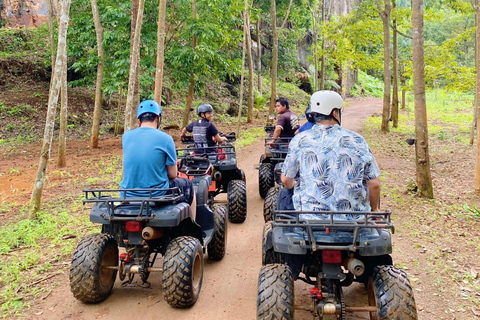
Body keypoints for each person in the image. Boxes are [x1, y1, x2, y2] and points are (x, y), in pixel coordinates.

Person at [280, 90, 381, 219]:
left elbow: (285, 180)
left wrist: (294, 185)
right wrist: (374, 210)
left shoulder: (300, 140)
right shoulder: (357, 140)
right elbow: (374, 183)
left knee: (285, 192)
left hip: (309, 218)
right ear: (334, 113)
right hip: (354, 219)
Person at [120, 100, 196, 218]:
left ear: (139, 120)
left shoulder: (126, 136)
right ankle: (193, 228)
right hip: (156, 194)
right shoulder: (166, 139)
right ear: (158, 119)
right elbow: (172, 174)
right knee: (188, 184)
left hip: (127, 194)